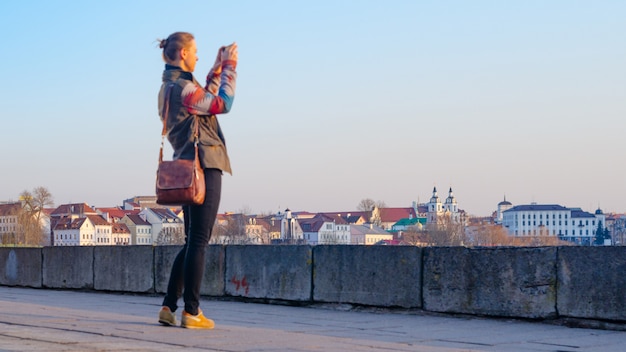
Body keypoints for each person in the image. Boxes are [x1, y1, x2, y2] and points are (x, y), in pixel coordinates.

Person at [156, 32, 238, 329]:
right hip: (205, 164)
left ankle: (168, 306)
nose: (197, 56)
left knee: (191, 241)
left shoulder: (168, 88)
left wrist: (215, 70)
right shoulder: (184, 88)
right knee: (199, 241)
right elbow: (221, 104)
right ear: (182, 55)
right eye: (195, 52)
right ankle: (191, 312)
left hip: (187, 165)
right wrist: (229, 68)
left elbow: (201, 103)